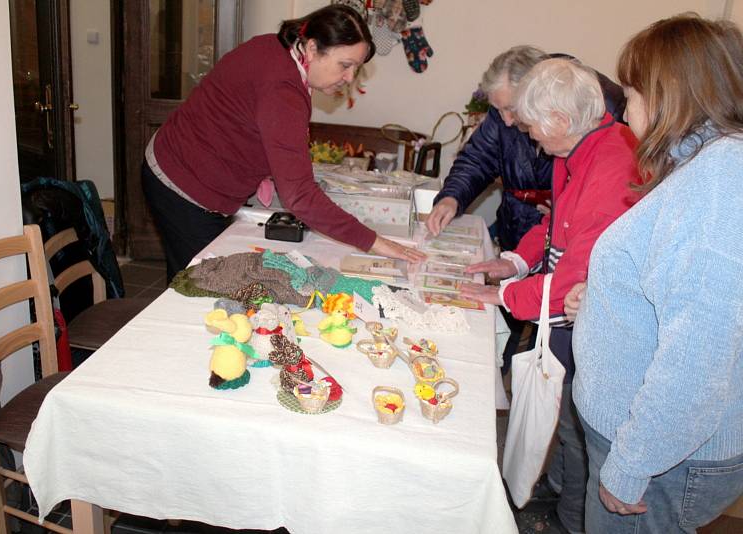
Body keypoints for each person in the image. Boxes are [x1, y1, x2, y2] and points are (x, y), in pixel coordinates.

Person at [568, 14, 743, 533]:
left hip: (658, 457)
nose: (625, 110)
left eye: (632, 93)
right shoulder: (703, 169)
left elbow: (698, 354)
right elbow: (667, 287)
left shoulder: (720, 177)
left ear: (669, 95)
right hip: (642, 442)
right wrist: (600, 297)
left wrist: (630, 466)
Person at [462, 58, 641, 534]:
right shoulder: (577, 149)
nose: (529, 137)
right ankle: (559, 491)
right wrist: (515, 262)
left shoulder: (614, 162)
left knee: (581, 428)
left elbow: (575, 276)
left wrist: (503, 296)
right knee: (567, 423)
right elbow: (554, 225)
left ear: (560, 120)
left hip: (590, 320)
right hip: (564, 311)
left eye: (532, 126)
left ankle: (567, 521)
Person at [142, 4, 424, 281]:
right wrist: (373, 241)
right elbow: (299, 196)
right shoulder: (283, 90)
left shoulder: (278, 50)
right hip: (182, 183)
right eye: (345, 65)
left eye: (356, 68)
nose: (349, 77)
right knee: (200, 285)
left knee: (194, 276)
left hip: (183, 166)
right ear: (312, 48)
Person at [425, 46, 626, 250]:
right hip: (517, 232)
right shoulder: (506, 114)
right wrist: (452, 197)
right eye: (498, 110)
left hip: (566, 246)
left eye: (511, 109)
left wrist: (566, 213)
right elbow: (477, 159)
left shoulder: (593, 117)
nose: (507, 120)